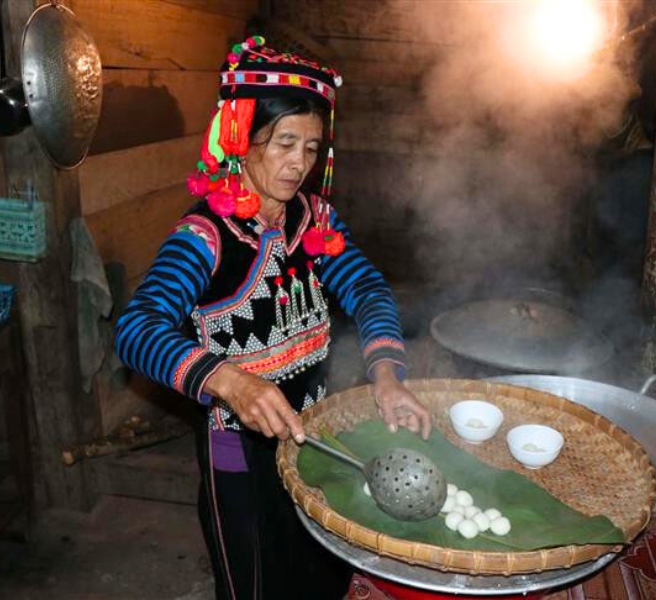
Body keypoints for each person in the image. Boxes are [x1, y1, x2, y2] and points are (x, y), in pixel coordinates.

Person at [114, 35, 432, 600]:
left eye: (311, 149)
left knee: (321, 572)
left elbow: (367, 288)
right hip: (240, 454)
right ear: (242, 134)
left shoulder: (312, 221)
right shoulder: (205, 238)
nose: (298, 165)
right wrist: (230, 381)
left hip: (314, 433)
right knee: (258, 580)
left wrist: (386, 374)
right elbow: (136, 329)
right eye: (285, 143)